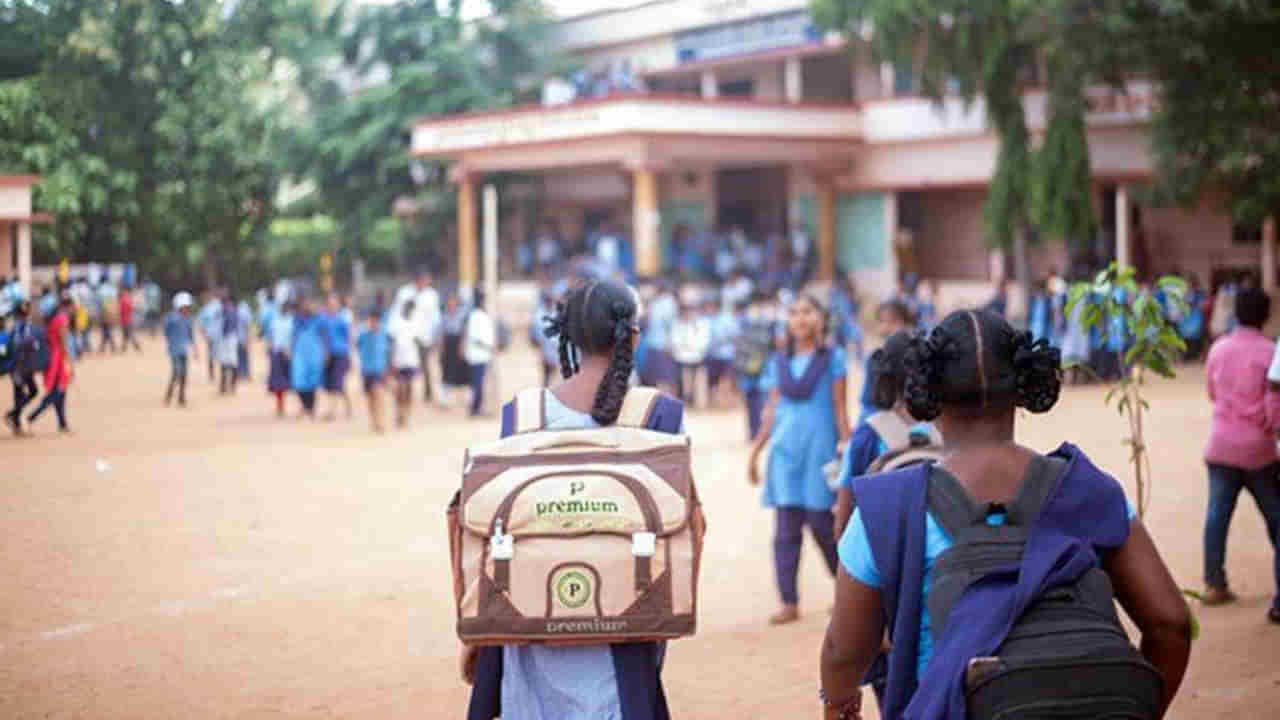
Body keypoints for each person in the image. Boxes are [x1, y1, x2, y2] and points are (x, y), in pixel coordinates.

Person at [819, 309, 1192, 720]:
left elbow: (843, 652)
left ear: (930, 392)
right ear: (1023, 387)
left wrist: (839, 707)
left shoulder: (888, 509)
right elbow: (1171, 622)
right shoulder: (1089, 490)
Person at [463, 278, 679, 720]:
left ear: (568, 337)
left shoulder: (523, 415)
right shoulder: (656, 415)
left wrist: (479, 632)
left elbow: (493, 526)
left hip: (529, 621)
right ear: (633, 337)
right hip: (623, 626)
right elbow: (682, 528)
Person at [747, 292, 851, 625]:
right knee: (785, 531)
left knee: (824, 526)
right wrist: (755, 452)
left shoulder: (833, 359)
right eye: (794, 313)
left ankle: (848, 593)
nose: (800, 318)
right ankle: (789, 601)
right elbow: (771, 411)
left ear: (820, 318)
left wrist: (848, 449)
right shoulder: (778, 362)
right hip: (785, 453)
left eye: (807, 311)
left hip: (820, 452)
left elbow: (840, 409)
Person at [1203, 287, 1280, 619]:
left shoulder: (1219, 348)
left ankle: (1214, 583)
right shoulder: (1270, 351)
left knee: (1217, 516)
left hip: (1220, 445)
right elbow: (1274, 403)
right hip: (1258, 450)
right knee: (1276, 518)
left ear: (1236, 312)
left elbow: (1211, 392)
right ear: (1266, 316)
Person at [857, 300, 913, 423]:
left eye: (894, 322)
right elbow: (868, 401)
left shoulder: (917, 357)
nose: (886, 327)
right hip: (879, 420)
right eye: (883, 322)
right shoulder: (875, 358)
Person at [27, 293, 74, 433]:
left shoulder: (53, 318)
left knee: (60, 391)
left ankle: (62, 423)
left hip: (51, 356)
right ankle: (33, 415)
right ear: (68, 306)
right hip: (57, 359)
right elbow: (63, 342)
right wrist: (69, 362)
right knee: (58, 391)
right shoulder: (62, 319)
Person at [406, 271, 441, 405]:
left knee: (426, 365)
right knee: (410, 364)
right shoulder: (408, 293)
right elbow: (405, 314)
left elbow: (436, 317)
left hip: (426, 336)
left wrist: (436, 335)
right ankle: (408, 393)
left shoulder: (432, 295)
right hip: (411, 336)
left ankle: (427, 393)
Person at [5, 300, 40, 435]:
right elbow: (19, 344)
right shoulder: (19, 327)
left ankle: (14, 415)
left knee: (27, 392)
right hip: (18, 365)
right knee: (23, 392)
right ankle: (15, 421)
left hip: (23, 365)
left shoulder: (21, 325)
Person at [290, 297, 326, 419]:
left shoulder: (319, 320)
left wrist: (326, 352)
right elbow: (293, 336)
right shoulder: (297, 320)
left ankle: (310, 408)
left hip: (314, 354)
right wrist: (291, 350)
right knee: (299, 382)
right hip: (300, 354)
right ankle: (305, 405)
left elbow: (324, 336)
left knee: (313, 383)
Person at [356, 309, 391, 433]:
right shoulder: (363, 334)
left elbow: (388, 352)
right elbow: (357, 346)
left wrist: (389, 369)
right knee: (370, 397)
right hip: (366, 370)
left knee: (378, 394)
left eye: (376, 321)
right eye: (371, 320)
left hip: (380, 370)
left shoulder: (384, 334)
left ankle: (381, 422)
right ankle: (374, 421)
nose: (373, 323)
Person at [463, 290, 496, 418]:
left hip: (484, 355)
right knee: (477, 384)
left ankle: (478, 407)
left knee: (480, 383)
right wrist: (489, 346)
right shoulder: (475, 316)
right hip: (477, 355)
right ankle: (475, 409)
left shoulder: (482, 315)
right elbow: (475, 337)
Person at [387, 299, 419, 428]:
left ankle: (407, 414)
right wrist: (391, 360)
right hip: (398, 361)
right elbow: (391, 342)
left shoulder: (415, 323)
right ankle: (399, 412)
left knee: (409, 388)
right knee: (400, 388)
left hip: (411, 360)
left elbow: (418, 342)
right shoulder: (397, 323)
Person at [321, 294, 353, 420]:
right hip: (328, 356)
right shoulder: (323, 319)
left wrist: (350, 354)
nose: (332, 306)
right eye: (329, 304)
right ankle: (348, 406)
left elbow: (349, 337)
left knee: (336, 382)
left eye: (334, 304)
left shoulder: (342, 319)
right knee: (334, 385)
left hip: (341, 354)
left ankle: (332, 411)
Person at [163, 292, 197, 407]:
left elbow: (191, 334)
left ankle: (181, 397)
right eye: (185, 306)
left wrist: (195, 349)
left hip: (184, 350)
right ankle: (169, 395)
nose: (187, 309)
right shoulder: (171, 318)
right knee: (176, 372)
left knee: (184, 374)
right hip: (174, 350)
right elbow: (166, 332)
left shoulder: (188, 319)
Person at [439, 294, 471, 405]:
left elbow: (464, 332)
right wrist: (441, 347)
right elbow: (442, 333)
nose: (451, 306)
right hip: (448, 344)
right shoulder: (444, 316)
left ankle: (466, 396)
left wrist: (462, 346)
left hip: (458, 342)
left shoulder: (461, 315)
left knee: (462, 369)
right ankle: (446, 396)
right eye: (449, 304)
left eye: (453, 303)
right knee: (447, 370)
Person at [217, 296, 241, 394]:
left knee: (229, 362)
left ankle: (228, 386)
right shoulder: (232, 311)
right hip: (228, 337)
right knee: (228, 362)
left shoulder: (229, 311)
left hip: (229, 337)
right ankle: (228, 386)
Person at [198, 292, 223, 382]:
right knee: (218, 355)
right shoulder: (219, 306)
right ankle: (218, 375)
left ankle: (212, 375)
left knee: (211, 356)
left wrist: (204, 334)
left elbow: (201, 324)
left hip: (212, 335)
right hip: (217, 335)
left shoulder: (206, 308)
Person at [118, 284, 142, 352]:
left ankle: (135, 346)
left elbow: (121, 310)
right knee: (127, 334)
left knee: (128, 334)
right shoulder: (129, 299)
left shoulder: (123, 300)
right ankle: (124, 347)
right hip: (129, 319)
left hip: (125, 320)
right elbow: (132, 308)